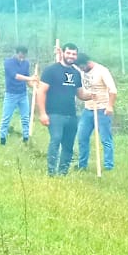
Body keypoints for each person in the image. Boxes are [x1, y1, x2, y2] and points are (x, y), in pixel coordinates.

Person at [38, 45, 92, 176]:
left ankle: (63, 173)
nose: (71, 56)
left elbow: (80, 94)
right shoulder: (51, 70)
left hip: (71, 115)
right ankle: (51, 172)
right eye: (68, 53)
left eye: (74, 54)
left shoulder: (76, 73)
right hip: (54, 114)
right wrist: (42, 113)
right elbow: (41, 92)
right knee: (55, 139)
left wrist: (92, 95)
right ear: (62, 53)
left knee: (68, 145)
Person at [76, 54, 117, 171]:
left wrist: (109, 106)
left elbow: (113, 90)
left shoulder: (102, 71)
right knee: (82, 137)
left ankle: (109, 166)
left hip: (102, 109)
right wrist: (59, 54)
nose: (81, 69)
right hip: (88, 109)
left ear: (87, 63)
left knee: (105, 139)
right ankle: (82, 165)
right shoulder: (80, 70)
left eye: (82, 67)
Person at [0, 45, 35, 145]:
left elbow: (27, 79)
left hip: (23, 94)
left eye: (24, 55)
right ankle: (2, 139)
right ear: (16, 53)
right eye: (20, 55)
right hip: (11, 94)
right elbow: (16, 76)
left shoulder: (26, 63)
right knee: (6, 117)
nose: (22, 57)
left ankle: (26, 138)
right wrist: (31, 78)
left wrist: (34, 86)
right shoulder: (8, 62)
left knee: (25, 118)